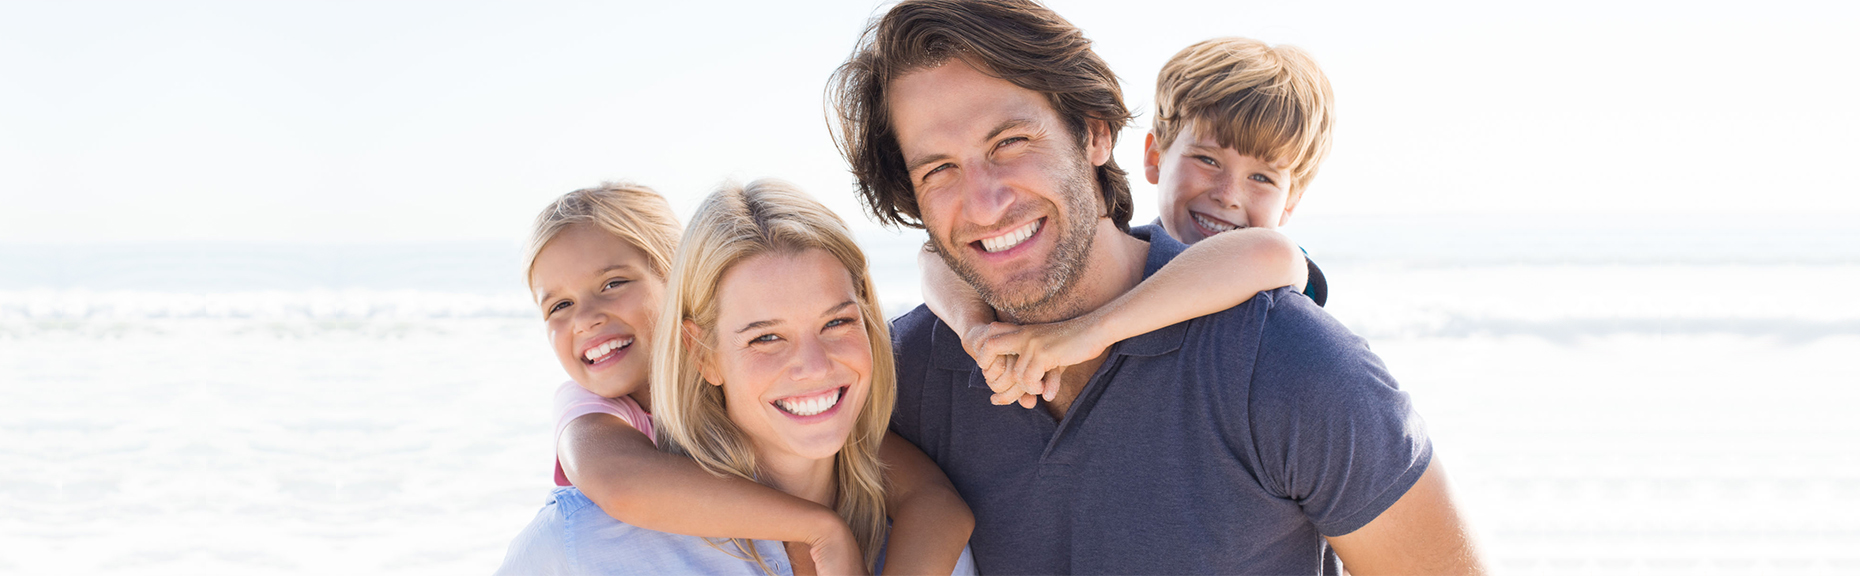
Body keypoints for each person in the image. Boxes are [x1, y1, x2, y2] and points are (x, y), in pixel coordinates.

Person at [829, 1, 1486, 574]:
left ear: (1093, 132)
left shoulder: (1291, 365)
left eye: (1009, 142)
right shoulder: (898, 376)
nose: (985, 201)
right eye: (939, 169)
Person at [498, 182, 973, 575]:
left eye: (836, 323)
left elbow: (932, 498)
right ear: (699, 349)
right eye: (765, 337)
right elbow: (620, 483)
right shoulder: (582, 529)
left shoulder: (914, 541)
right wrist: (820, 529)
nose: (587, 319)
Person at [920, 36, 1338, 408]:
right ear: (1155, 157)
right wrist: (976, 333)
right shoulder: (1124, 254)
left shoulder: (1275, 276)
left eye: (1262, 178)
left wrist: (1087, 332)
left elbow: (1272, 254)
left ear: (1291, 202)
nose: (1228, 194)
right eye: (1207, 159)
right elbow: (935, 256)